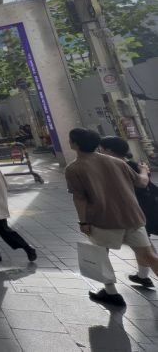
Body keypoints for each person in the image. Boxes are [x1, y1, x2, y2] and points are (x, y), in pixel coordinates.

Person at [65, 128, 158, 306]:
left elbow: (80, 198)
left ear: (75, 144)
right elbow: (140, 182)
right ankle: (136, 280)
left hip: (103, 219)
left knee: (101, 255)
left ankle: (111, 293)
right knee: (149, 255)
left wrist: (83, 221)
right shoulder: (116, 162)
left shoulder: (74, 168)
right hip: (133, 216)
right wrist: (144, 171)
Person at [99, 136, 158, 287]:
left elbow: (142, 183)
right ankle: (142, 276)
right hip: (143, 207)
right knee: (145, 246)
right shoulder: (131, 164)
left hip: (139, 209)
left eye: (102, 149)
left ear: (109, 151)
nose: (99, 151)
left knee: (146, 249)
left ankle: (142, 276)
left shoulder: (121, 166)